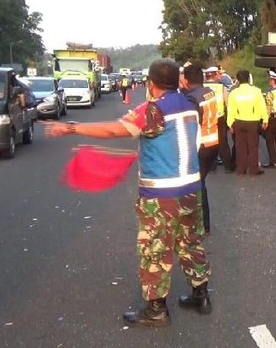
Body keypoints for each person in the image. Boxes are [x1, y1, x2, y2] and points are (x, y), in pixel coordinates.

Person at [44, 59, 212, 327]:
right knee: (191, 243)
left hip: (162, 196)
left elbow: (115, 129)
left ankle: (156, 309)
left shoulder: (153, 110)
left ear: (151, 83)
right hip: (191, 190)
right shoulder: (189, 105)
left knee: (155, 250)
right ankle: (201, 295)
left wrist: (73, 128)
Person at [182, 62, 219, 235]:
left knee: (196, 186)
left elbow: (189, 123)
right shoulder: (208, 92)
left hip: (201, 145)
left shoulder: (192, 98)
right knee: (201, 184)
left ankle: (200, 225)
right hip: (213, 142)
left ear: (187, 80)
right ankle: (204, 224)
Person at [227, 70, 268, 175]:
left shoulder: (233, 93)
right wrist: (265, 119)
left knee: (240, 147)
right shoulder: (256, 91)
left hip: (239, 122)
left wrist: (230, 123)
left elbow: (230, 109)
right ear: (249, 78)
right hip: (253, 122)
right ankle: (254, 170)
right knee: (253, 146)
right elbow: (262, 107)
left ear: (238, 80)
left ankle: (241, 169)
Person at [204, 66, 233, 172]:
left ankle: (211, 166)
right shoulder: (221, 88)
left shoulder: (202, 87)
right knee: (222, 142)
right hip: (219, 117)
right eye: (218, 74)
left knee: (209, 142)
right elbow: (228, 103)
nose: (220, 76)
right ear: (215, 75)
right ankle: (228, 166)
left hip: (206, 118)